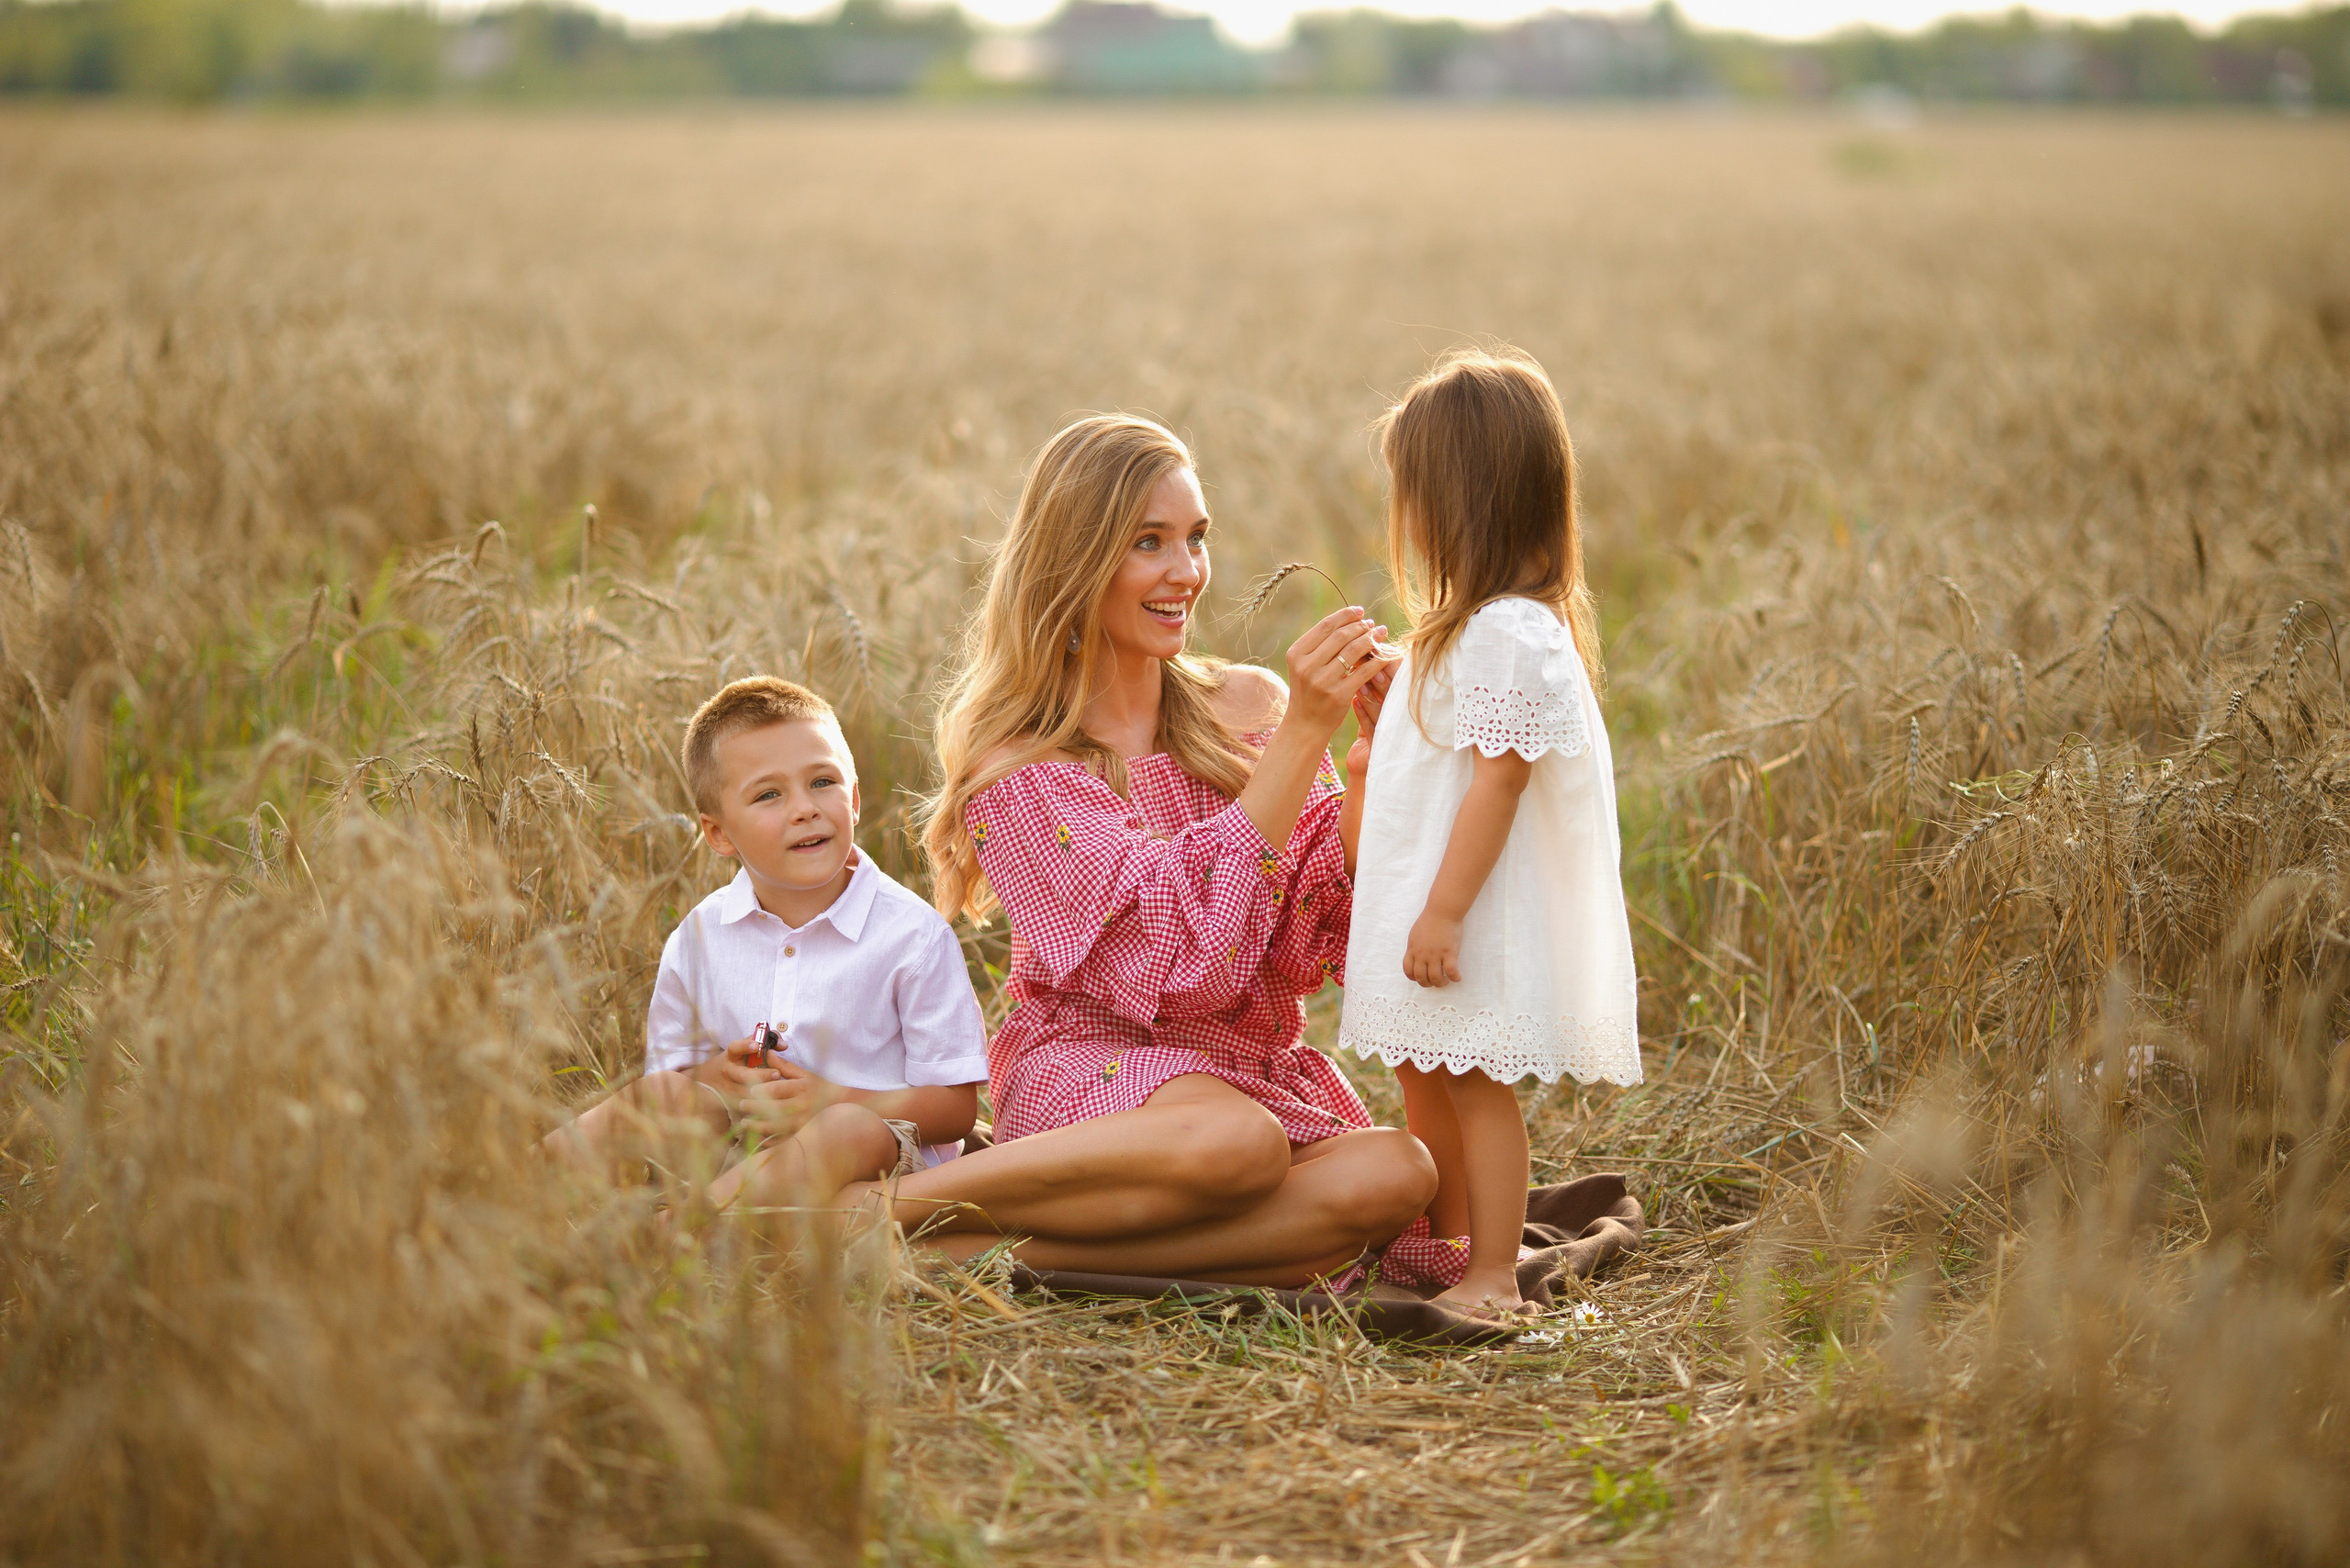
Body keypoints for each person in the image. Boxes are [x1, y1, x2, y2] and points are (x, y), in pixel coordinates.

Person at [836, 413, 1438, 1286]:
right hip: (1094, 1072)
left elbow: (1325, 928)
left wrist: (1366, 771)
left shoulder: (1247, 707)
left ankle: (983, 1256)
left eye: (1196, 539)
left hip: (1245, 1069)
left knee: (1397, 1172)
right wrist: (1304, 736)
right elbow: (1183, 958)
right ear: (1077, 562)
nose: (1186, 573)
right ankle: (886, 1212)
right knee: (1236, 1142)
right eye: (1148, 543)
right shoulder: (1020, 769)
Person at [1337, 346, 1643, 1318]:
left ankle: (1489, 1274)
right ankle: (1445, 1242)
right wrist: (1400, 714)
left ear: (1463, 499)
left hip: (1466, 912)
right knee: (1421, 1069)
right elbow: (1450, 762)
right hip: (1437, 905)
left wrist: (1442, 912)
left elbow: (1500, 781)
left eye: (1415, 493)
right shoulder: (1466, 630)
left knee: (1472, 1083)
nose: (1408, 516)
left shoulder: (1512, 631)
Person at [540, 677, 990, 1214]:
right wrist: (719, 1080)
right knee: (656, 1096)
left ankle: (680, 1234)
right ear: (719, 834)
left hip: (877, 1169)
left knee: (846, 1129)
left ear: (855, 799)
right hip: (736, 1154)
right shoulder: (698, 939)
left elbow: (957, 1109)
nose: (805, 808)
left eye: (823, 782)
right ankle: (508, 1196)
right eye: (769, 794)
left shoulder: (912, 937)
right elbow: (675, 1079)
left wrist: (832, 1100)